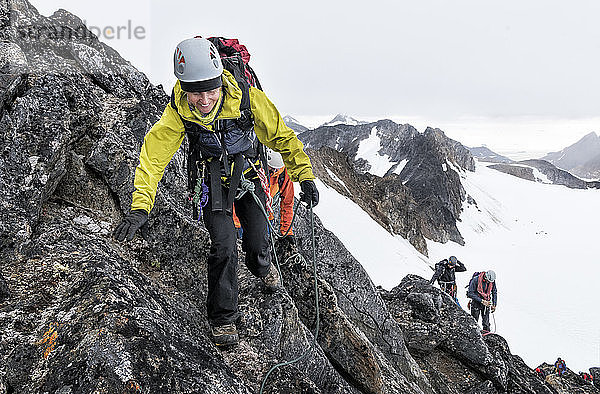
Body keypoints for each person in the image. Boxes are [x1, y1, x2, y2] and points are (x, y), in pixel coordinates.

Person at [113, 37, 319, 347]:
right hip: (211, 182)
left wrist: (305, 176)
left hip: (248, 175)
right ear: (184, 88)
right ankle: (223, 318)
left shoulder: (248, 99)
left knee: (258, 237)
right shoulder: (179, 111)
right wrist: (140, 207)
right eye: (196, 93)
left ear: (220, 82)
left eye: (211, 90)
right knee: (223, 245)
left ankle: (261, 266)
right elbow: (153, 157)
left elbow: (283, 138)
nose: (205, 100)